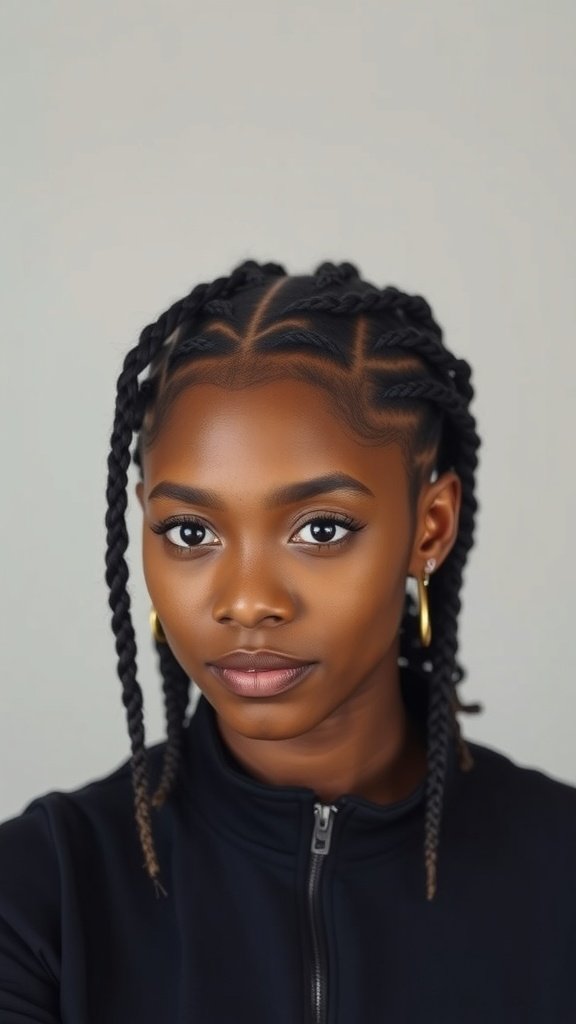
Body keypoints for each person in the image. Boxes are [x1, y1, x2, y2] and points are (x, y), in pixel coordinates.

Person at [0, 259, 575, 1023]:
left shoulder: (562, 870)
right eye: (190, 531)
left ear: (429, 527)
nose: (246, 602)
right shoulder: (41, 895)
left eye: (321, 529)